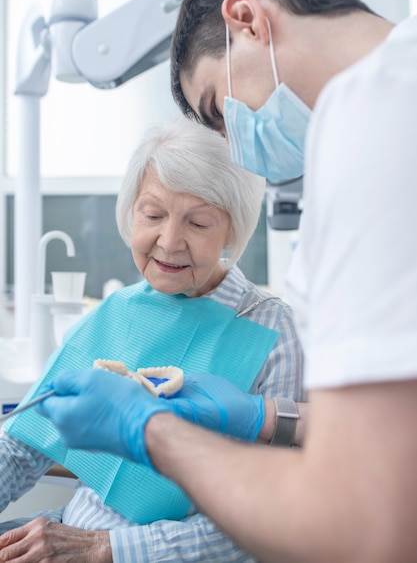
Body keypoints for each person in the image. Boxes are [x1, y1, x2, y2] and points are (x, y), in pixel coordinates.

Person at [36, 0, 417, 563]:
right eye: (153, 214)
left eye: (218, 106)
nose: (235, 144)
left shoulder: (370, 126)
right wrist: (267, 418)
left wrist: (152, 433)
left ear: (247, 20)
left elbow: (360, 518)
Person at [0, 114, 305, 562]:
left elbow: (275, 519)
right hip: (65, 533)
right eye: (153, 215)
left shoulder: (275, 334)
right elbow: (22, 445)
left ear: (233, 230)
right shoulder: (117, 311)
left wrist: (109, 549)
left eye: (198, 223)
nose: (168, 241)